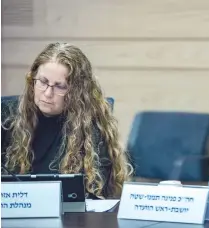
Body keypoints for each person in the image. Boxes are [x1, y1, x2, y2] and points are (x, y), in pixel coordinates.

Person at [1, 42, 133, 199]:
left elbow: (94, 196)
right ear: (32, 81)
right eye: (43, 82)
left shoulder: (92, 125)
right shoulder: (7, 116)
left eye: (60, 87)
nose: (48, 93)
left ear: (77, 92)